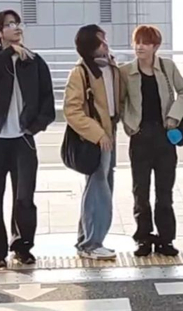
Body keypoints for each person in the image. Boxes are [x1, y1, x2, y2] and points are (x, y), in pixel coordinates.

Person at [0, 10, 55, 267]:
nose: (16, 27)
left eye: (17, 23)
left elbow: (47, 101)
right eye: (9, 25)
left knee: (24, 196)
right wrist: (10, 51)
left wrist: (33, 128)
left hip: (22, 140)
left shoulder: (34, 61)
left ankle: (22, 246)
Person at [119, 25, 183, 257]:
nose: (140, 46)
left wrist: (174, 116)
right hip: (139, 138)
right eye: (137, 42)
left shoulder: (166, 67)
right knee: (140, 191)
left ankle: (166, 239)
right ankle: (143, 238)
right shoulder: (126, 71)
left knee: (165, 192)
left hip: (164, 137)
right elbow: (120, 102)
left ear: (155, 46)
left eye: (146, 42)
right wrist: (129, 124)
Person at [63, 25, 120, 260]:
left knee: (101, 185)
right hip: (96, 138)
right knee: (99, 188)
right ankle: (91, 243)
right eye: (100, 41)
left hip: (110, 134)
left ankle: (86, 240)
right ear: (89, 47)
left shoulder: (112, 67)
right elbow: (72, 110)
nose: (105, 44)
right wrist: (97, 133)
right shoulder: (81, 72)